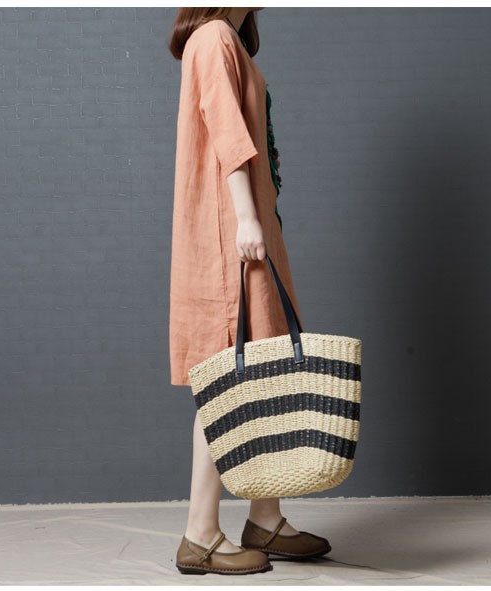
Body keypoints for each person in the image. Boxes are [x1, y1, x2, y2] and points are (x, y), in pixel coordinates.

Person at [167, 7, 332, 576]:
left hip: (247, 224)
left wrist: (258, 217)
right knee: (227, 380)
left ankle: (265, 518)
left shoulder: (229, 41)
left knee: (260, 369)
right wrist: (245, 218)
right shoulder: (213, 37)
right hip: (230, 231)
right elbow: (225, 131)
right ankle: (199, 534)